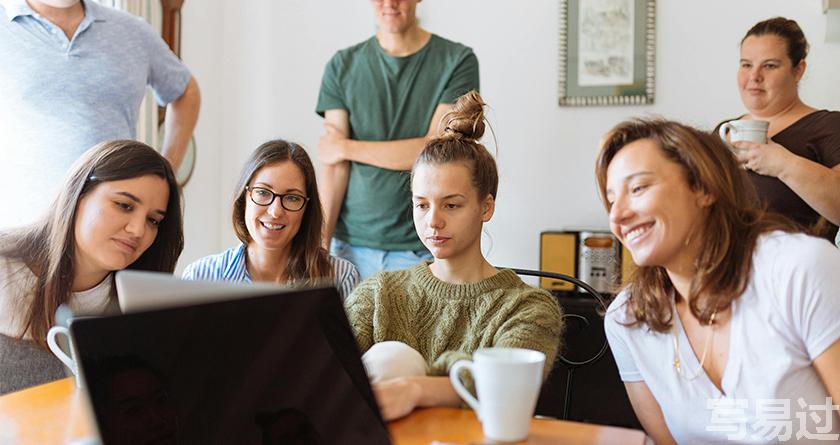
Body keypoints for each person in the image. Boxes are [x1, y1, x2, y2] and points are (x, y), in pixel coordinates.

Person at [596, 118, 840, 444]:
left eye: (638, 188)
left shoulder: (798, 269)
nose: (618, 216)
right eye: (612, 200)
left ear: (704, 188)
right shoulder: (627, 319)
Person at [345, 91, 563, 421]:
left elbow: (507, 388)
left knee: (395, 359)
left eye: (451, 204)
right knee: (392, 357)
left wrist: (414, 389)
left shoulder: (528, 307)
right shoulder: (377, 294)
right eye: (422, 204)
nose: (433, 221)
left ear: (485, 206)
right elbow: (324, 375)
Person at [0, 140, 183, 395]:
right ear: (78, 193)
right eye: (124, 205)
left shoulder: (139, 303)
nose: (138, 230)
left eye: (153, 220)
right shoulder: (5, 267)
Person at [0, 0, 201, 230]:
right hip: (19, 229)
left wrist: (167, 171)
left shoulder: (132, 31)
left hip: (115, 231)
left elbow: (187, 91)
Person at [315, 0, 480, 280]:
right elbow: (334, 165)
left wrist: (346, 147)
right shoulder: (342, 65)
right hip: (348, 250)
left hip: (421, 247)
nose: (389, 3)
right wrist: (319, 248)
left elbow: (435, 152)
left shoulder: (457, 60)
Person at [182, 140, 359, 300]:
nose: (275, 212)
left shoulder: (340, 277)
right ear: (244, 198)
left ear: (307, 209)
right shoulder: (200, 277)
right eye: (263, 192)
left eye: (292, 198)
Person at [718, 17, 840, 242]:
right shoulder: (724, 131)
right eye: (746, 65)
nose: (754, 77)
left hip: (796, 273)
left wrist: (782, 164)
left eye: (769, 65)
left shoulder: (830, 126)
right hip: (726, 271)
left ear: (798, 70)